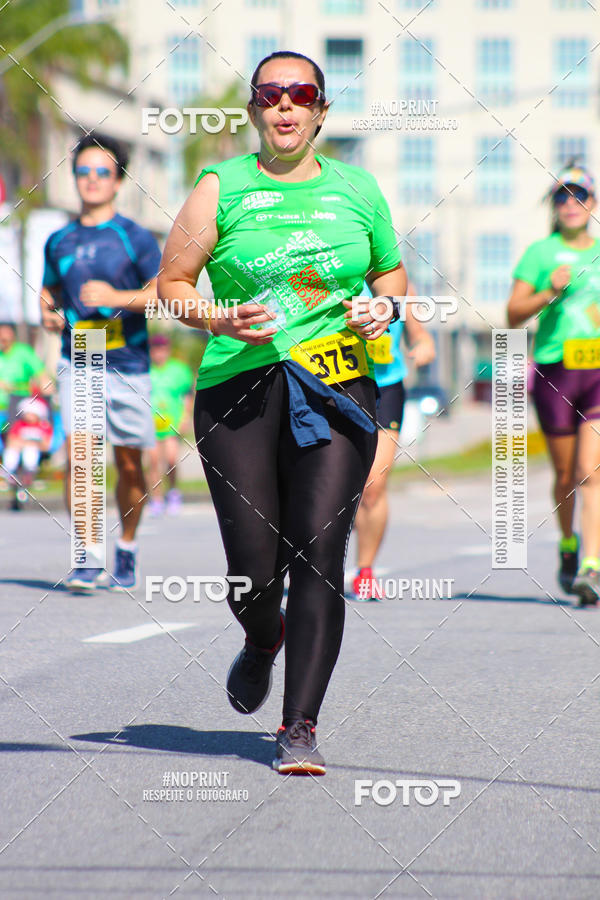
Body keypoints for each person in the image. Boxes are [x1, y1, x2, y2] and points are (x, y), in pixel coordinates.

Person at [158, 50, 406, 775]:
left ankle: (299, 726)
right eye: (272, 95)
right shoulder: (222, 186)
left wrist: (381, 309)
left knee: (318, 551)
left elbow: (390, 274)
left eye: (301, 95)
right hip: (239, 387)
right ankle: (263, 637)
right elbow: (172, 282)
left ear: (321, 110)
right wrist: (217, 318)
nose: (286, 107)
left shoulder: (358, 190)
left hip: (334, 385)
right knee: (253, 569)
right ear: (255, 112)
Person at [40, 132, 161, 593]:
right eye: (84, 172)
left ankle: (126, 547)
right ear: (74, 178)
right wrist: (47, 313)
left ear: (118, 181)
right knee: (83, 458)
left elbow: (162, 296)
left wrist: (116, 298)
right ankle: (87, 556)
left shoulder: (135, 238)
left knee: (130, 464)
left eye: (102, 173)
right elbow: (50, 290)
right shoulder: (59, 239)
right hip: (80, 357)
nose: (91, 180)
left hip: (128, 362)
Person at [508, 163, 600, 606]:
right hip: (555, 374)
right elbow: (512, 316)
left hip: (598, 374)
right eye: (562, 196)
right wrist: (549, 292)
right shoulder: (540, 254)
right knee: (566, 474)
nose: (571, 204)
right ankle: (569, 543)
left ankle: (592, 567)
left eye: (579, 195)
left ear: (593, 203)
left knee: (590, 472)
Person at [352, 284, 436, 601]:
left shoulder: (393, 277)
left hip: (386, 385)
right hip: (334, 382)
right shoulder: (333, 264)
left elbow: (416, 328)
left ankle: (365, 571)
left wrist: (423, 341)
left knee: (373, 487)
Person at [147, 333, 194, 515]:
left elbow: (188, 394)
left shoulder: (179, 370)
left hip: (171, 423)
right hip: (151, 424)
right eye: (155, 350)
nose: (159, 353)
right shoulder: (146, 369)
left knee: (172, 459)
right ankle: (156, 498)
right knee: (153, 462)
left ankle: (173, 492)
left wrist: (185, 417)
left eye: (162, 349)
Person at [0, 323, 50, 444]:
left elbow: (41, 375)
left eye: (5, 338)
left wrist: (46, 390)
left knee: (8, 429)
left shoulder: (23, 352)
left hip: (17, 403)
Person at [2, 396, 53, 510]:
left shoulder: (44, 427)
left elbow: (46, 445)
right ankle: (9, 473)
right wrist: (24, 443)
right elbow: (11, 441)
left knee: (30, 451)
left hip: (36, 453)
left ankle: (29, 474)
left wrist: (29, 444)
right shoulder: (19, 425)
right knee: (11, 452)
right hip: (18, 449)